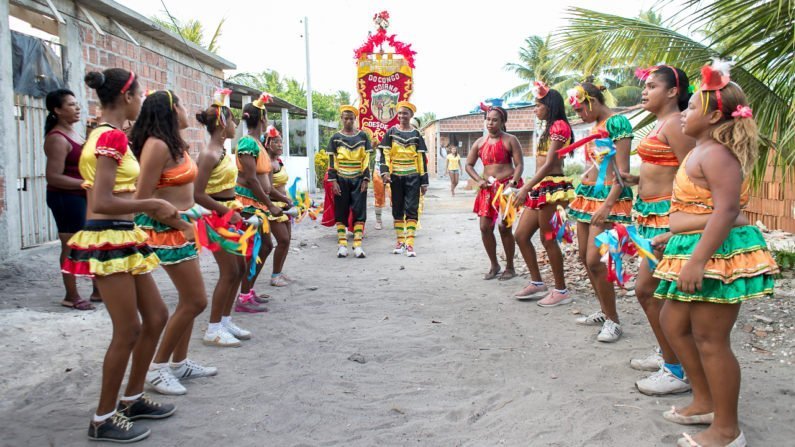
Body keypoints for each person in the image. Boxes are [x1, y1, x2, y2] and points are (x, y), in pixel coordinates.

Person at [654, 62, 777, 447]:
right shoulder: (701, 150)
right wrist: (673, 235)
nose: (685, 114)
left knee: (711, 338)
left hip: (713, 256)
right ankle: (705, 400)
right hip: (693, 247)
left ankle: (727, 430)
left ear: (710, 116)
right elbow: (706, 207)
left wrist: (695, 260)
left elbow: (727, 212)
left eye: (690, 107)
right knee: (672, 323)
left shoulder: (718, 154)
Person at [62, 68, 179, 442]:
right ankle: (103, 418)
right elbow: (101, 201)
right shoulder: (109, 135)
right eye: (140, 93)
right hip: (109, 236)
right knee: (127, 329)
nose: (143, 100)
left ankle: (132, 397)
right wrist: (156, 204)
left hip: (123, 234)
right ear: (127, 96)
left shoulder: (107, 134)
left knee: (157, 315)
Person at [131, 90, 216, 395]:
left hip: (184, 227)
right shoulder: (156, 146)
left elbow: (185, 193)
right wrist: (180, 223)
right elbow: (142, 199)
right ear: (170, 110)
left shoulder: (176, 144)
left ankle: (179, 363)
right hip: (166, 230)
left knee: (188, 300)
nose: (186, 110)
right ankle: (158, 368)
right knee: (195, 301)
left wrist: (199, 215)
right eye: (180, 104)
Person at [618, 66, 695, 395]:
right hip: (649, 216)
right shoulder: (662, 124)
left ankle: (677, 368)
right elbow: (665, 167)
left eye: (651, 86)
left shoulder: (677, 124)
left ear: (672, 91)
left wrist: (679, 223)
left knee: (648, 291)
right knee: (653, 293)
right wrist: (638, 181)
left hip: (666, 219)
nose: (644, 92)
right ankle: (670, 355)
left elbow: (691, 173)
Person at [564, 81, 634, 342]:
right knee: (584, 256)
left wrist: (607, 206)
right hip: (588, 194)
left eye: (581, 109)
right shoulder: (595, 126)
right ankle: (605, 311)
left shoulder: (618, 124)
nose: (579, 114)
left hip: (608, 197)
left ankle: (614, 321)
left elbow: (623, 172)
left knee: (595, 260)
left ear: (592, 101)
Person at [193, 88, 249, 347]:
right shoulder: (209, 154)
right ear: (223, 122)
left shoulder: (224, 152)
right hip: (217, 218)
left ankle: (225, 321)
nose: (237, 125)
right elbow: (198, 194)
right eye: (233, 120)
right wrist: (227, 211)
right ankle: (213, 328)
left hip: (230, 215)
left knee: (239, 270)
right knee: (228, 272)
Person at [513, 82, 576, 305]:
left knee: (548, 239)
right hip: (542, 187)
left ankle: (561, 291)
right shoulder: (549, 127)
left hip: (553, 188)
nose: (535, 109)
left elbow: (550, 164)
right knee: (520, 235)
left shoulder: (559, 126)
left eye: (538, 105)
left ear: (549, 105)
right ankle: (538, 283)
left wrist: (525, 187)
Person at [43, 88, 101, 309]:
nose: (77, 108)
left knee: (93, 242)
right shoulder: (57, 138)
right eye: (70, 105)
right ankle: (71, 295)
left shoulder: (76, 133)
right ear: (57, 110)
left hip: (82, 195)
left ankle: (97, 290)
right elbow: (53, 177)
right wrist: (85, 184)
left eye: (77, 104)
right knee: (71, 246)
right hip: (65, 198)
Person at [234, 93, 283, 310]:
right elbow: (252, 179)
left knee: (264, 246)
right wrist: (271, 204)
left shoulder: (256, 143)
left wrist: (280, 200)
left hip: (258, 203)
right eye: (266, 117)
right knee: (257, 248)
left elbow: (265, 182)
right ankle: (243, 296)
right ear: (262, 119)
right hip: (247, 204)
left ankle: (247, 291)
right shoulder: (247, 143)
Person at [465, 105, 524, 280]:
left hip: (506, 188)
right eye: (488, 119)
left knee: (504, 227)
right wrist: (479, 180)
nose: (490, 123)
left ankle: (510, 267)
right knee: (484, 227)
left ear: (503, 122)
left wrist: (513, 183)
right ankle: (494, 264)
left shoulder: (510, 140)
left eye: (495, 120)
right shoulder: (479, 142)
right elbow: (468, 165)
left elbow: (519, 165)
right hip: (488, 189)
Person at [377, 101, 429, 257]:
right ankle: (400, 242)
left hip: (413, 176)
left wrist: (423, 181)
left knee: (412, 209)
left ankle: (410, 244)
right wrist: (385, 172)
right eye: (399, 113)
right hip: (396, 176)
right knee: (397, 209)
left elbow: (421, 158)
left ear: (411, 115)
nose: (401, 116)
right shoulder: (391, 132)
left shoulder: (416, 134)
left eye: (405, 113)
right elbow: (384, 154)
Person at [327, 105, 373, 258]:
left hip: (358, 179)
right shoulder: (335, 138)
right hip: (341, 179)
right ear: (341, 119)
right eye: (345, 118)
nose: (348, 121)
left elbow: (366, 159)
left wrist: (366, 178)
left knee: (360, 212)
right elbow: (332, 162)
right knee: (341, 212)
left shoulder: (363, 136)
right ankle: (342, 245)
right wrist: (333, 181)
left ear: (355, 119)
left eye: (351, 118)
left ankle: (358, 245)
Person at [264, 125, 294, 284]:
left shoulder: (278, 161)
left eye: (281, 142)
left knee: (287, 239)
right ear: (268, 144)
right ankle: (275, 276)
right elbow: (268, 189)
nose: (280, 144)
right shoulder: (267, 164)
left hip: (284, 205)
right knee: (282, 240)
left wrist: (287, 201)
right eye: (276, 142)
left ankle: (279, 272)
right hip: (274, 207)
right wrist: (285, 200)